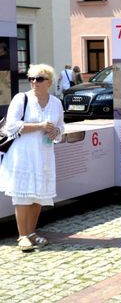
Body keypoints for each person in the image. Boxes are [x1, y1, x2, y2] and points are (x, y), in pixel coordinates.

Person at [0, 64, 64, 251]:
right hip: (23, 154)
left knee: (38, 196)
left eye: (39, 79)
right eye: (32, 78)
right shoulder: (22, 98)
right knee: (23, 196)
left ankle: (32, 233)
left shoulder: (56, 103)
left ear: (49, 82)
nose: (35, 82)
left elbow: (61, 125)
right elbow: (11, 125)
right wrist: (40, 125)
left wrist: (56, 131)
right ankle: (22, 237)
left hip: (44, 155)